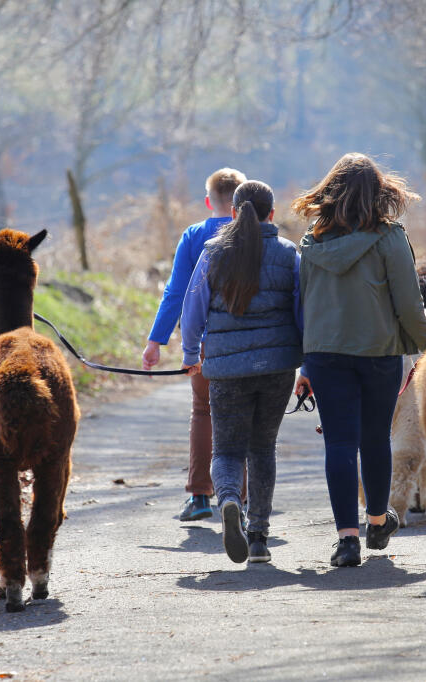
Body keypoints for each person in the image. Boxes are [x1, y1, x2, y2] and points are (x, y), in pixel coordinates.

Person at [292, 153, 426, 568]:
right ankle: (377, 521)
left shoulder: (313, 242)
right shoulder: (391, 237)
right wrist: (425, 345)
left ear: (330, 191)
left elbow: (306, 306)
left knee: (339, 443)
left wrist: (306, 364)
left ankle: (347, 540)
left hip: (325, 355)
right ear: (380, 192)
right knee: (375, 439)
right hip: (379, 354)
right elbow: (409, 304)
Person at [180, 180, 302, 564]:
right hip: (276, 369)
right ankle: (259, 538)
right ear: (272, 214)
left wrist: (190, 353)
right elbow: (303, 312)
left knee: (228, 448)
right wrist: (307, 361)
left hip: (226, 371)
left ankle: (230, 499)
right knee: (262, 448)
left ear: (232, 213)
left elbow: (192, 307)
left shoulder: (213, 252)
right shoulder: (288, 254)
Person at [143, 168, 247, 522]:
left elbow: (177, 293)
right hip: (250, 345)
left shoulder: (194, 236)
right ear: (241, 200)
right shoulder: (254, 234)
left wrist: (156, 341)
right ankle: (240, 499)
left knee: (204, 412)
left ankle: (200, 497)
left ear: (208, 201)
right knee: (243, 417)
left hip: (206, 345)